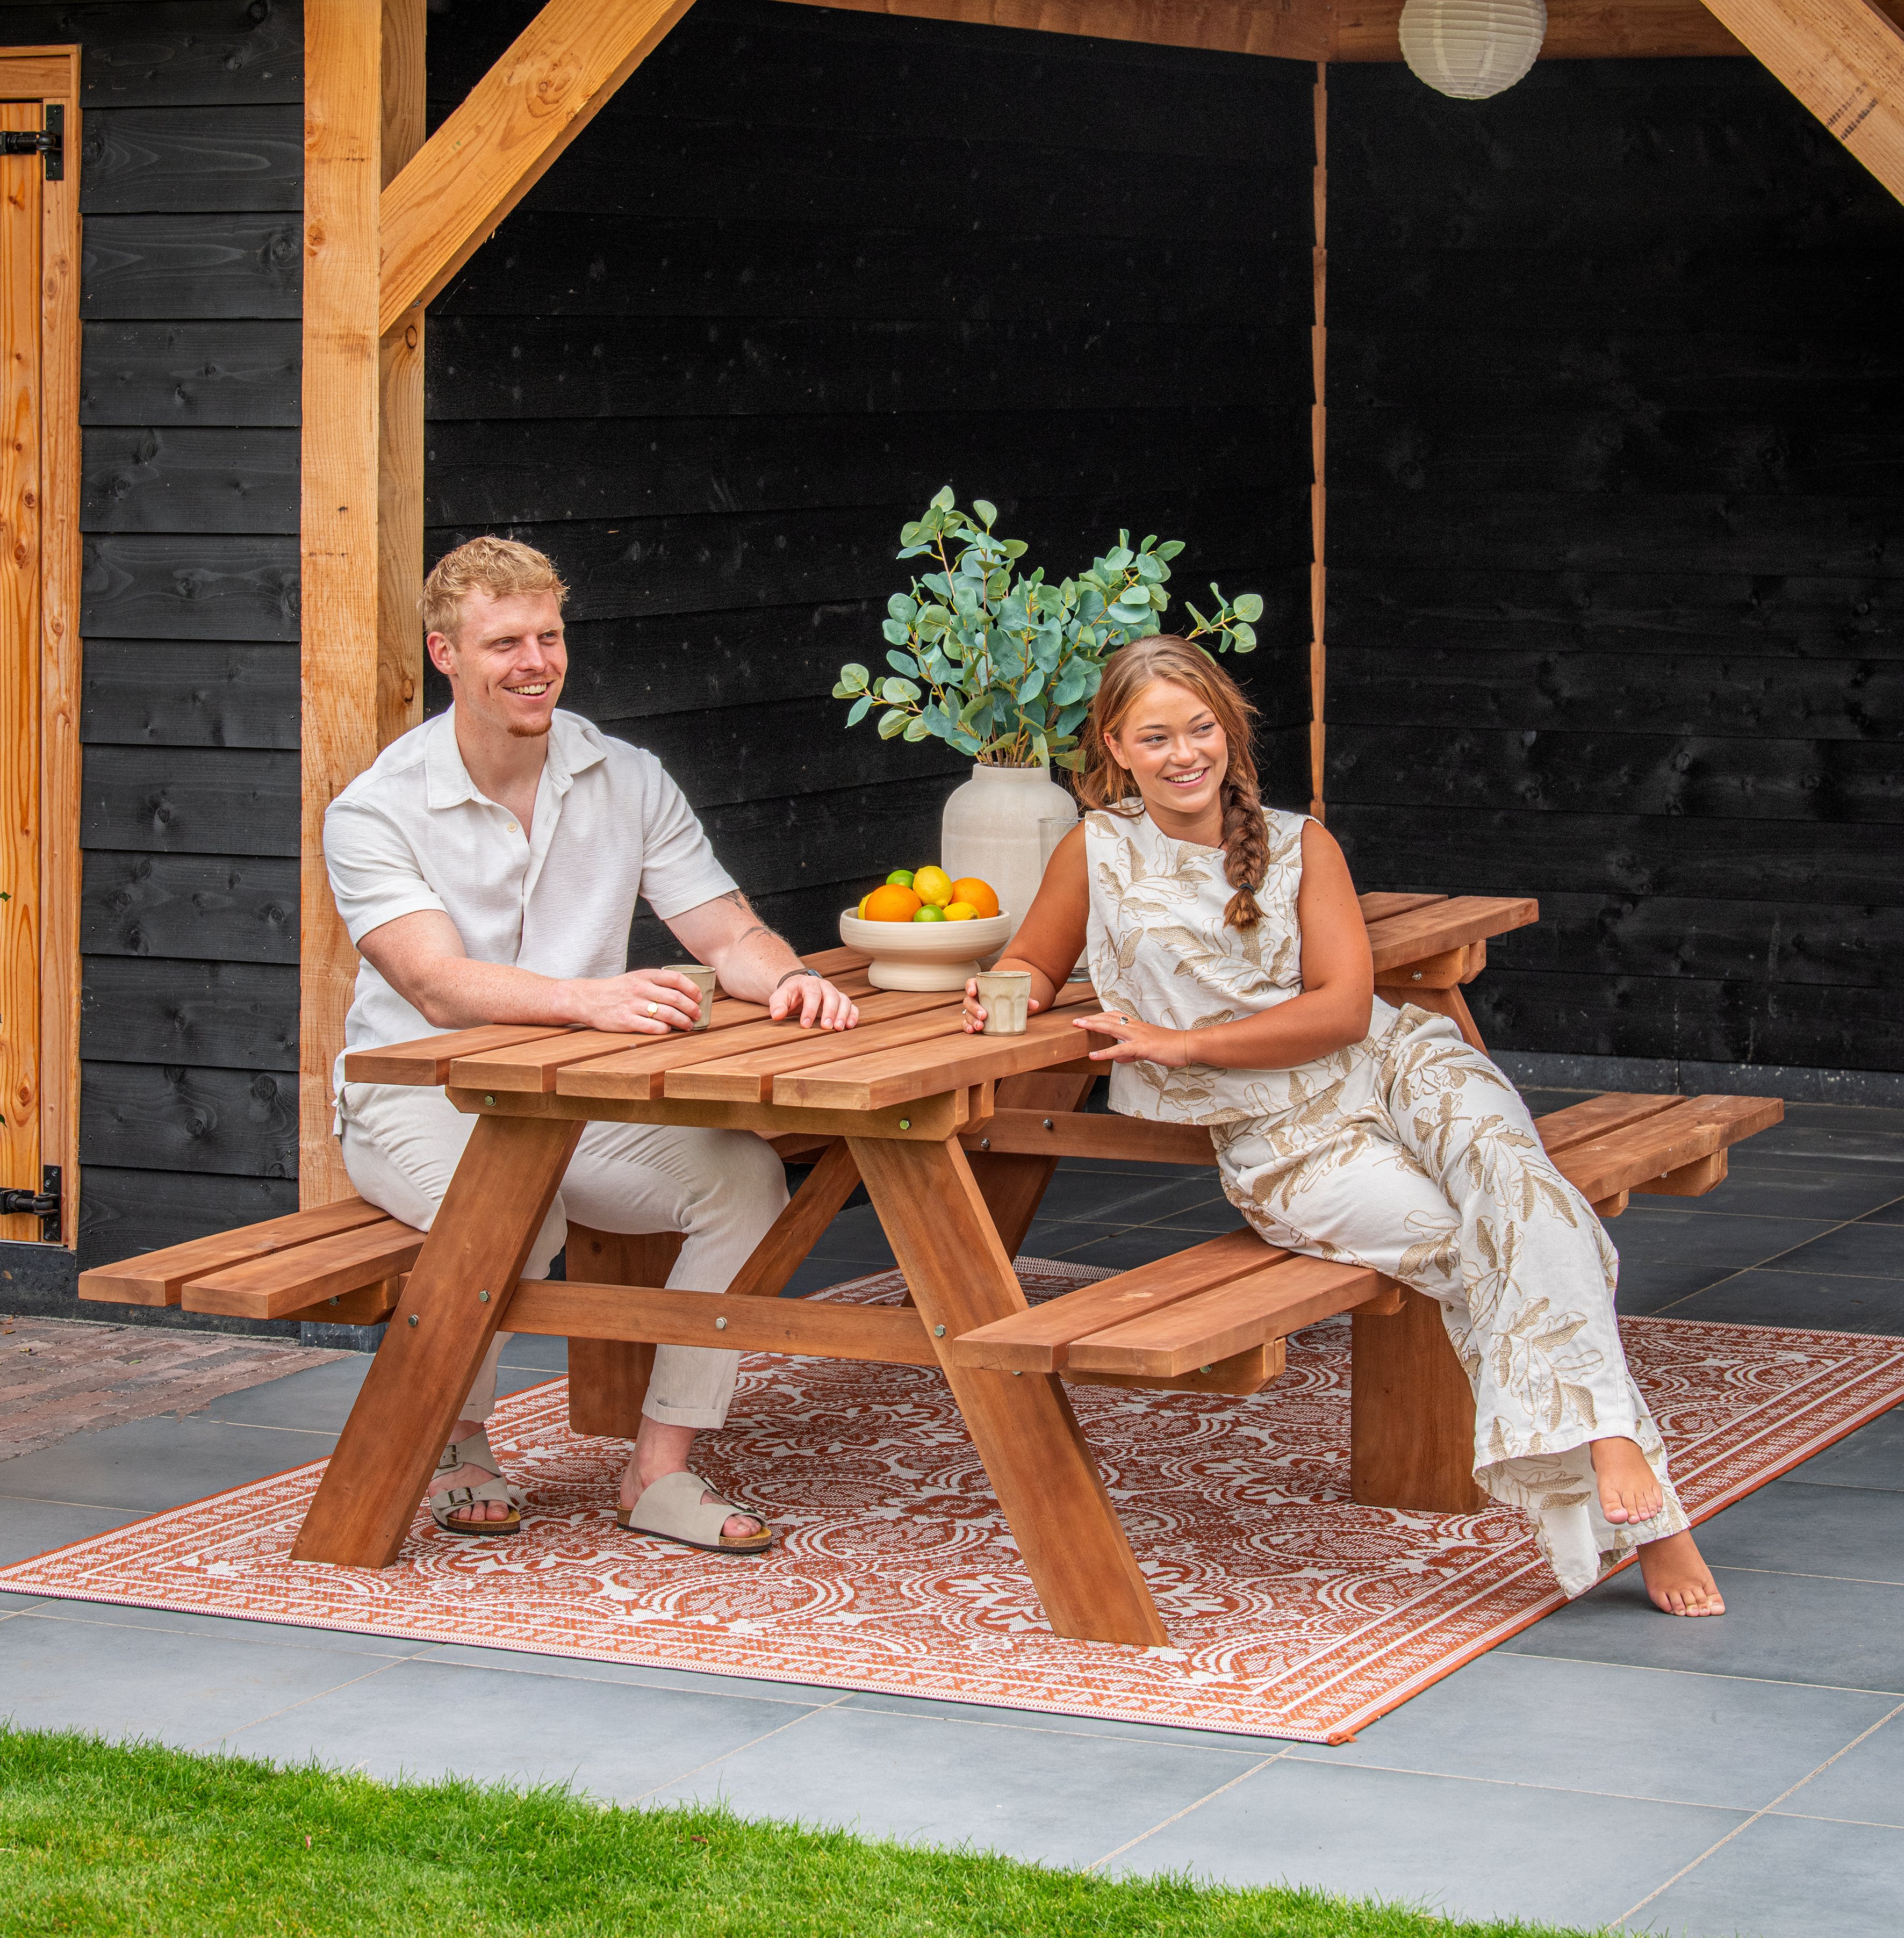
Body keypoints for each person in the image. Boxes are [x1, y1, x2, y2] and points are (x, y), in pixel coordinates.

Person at [961, 634, 1723, 1618]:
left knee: (1524, 1191)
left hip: (1400, 1064)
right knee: (1485, 1248)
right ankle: (1655, 1512)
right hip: (1287, 1144)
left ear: (1230, 734)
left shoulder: (1299, 842)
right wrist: (1002, 992)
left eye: (1202, 729)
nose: (1184, 753)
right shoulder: (1094, 850)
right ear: (1116, 744)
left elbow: (1345, 1012)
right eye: (1156, 737)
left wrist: (1180, 1046)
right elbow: (1033, 959)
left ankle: (1623, 1455)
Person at [324, 535, 858, 1552]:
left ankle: (657, 1471)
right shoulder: (375, 810)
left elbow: (724, 929)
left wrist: (788, 976)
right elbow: (436, 988)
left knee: (742, 1178)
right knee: (513, 1216)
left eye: (550, 637)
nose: (535, 663)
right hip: (414, 1101)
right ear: (446, 655)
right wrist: (591, 1002)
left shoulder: (628, 777)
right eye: (504, 644)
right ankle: (461, 1444)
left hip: (579, 1103)